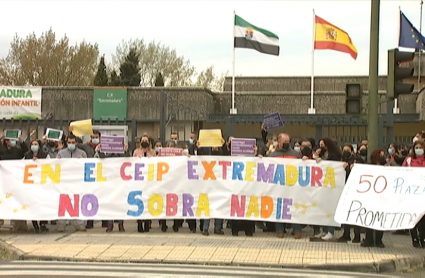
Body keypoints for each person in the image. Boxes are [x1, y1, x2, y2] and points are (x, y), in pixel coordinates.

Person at [267, 133, 301, 238]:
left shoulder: (296, 154)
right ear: (279, 142)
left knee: (294, 207)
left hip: (293, 186)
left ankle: (297, 230)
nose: (287, 143)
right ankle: (280, 230)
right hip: (278, 187)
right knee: (279, 207)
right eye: (284, 142)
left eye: (288, 141)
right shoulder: (272, 155)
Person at [56, 134, 88, 232]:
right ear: (66, 143)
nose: (71, 144)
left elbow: (88, 167)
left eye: (73, 142)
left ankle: (80, 224)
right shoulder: (61, 154)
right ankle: (61, 225)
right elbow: (55, 166)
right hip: (64, 182)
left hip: (78, 182)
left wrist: (83, 161)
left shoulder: (82, 153)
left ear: (76, 143)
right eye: (69, 142)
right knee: (63, 202)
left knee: (78, 201)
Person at [314, 138, 342, 241]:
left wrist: (323, 162)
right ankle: (324, 230)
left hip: (331, 186)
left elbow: (331, 165)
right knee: (322, 208)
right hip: (323, 185)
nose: (321, 147)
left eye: (323, 145)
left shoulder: (334, 155)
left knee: (329, 209)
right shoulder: (324, 154)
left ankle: (330, 231)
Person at [360, 149, 386, 248]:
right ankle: (369, 239)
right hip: (371, 197)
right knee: (369, 218)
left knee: (381, 219)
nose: (382, 157)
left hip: (383, 197)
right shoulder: (369, 167)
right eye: (380, 155)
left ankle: (379, 240)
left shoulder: (388, 167)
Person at [402, 139, 425, 247]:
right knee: (413, 217)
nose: (418, 150)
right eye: (417, 148)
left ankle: (423, 238)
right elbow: (402, 173)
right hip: (411, 193)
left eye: (420, 148)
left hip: (423, 194)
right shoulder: (409, 160)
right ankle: (414, 239)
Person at [24, 139, 49, 233]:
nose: (34, 146)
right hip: (31, 184)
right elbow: (21, 165)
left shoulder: (45, 155)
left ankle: (43, 223)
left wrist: (39, 162)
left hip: (42, 183)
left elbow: (50, 164)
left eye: (36, 144)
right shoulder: (27, 155)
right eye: (32, 144)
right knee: (32, 203)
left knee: (42, 203)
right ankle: (35, 225)